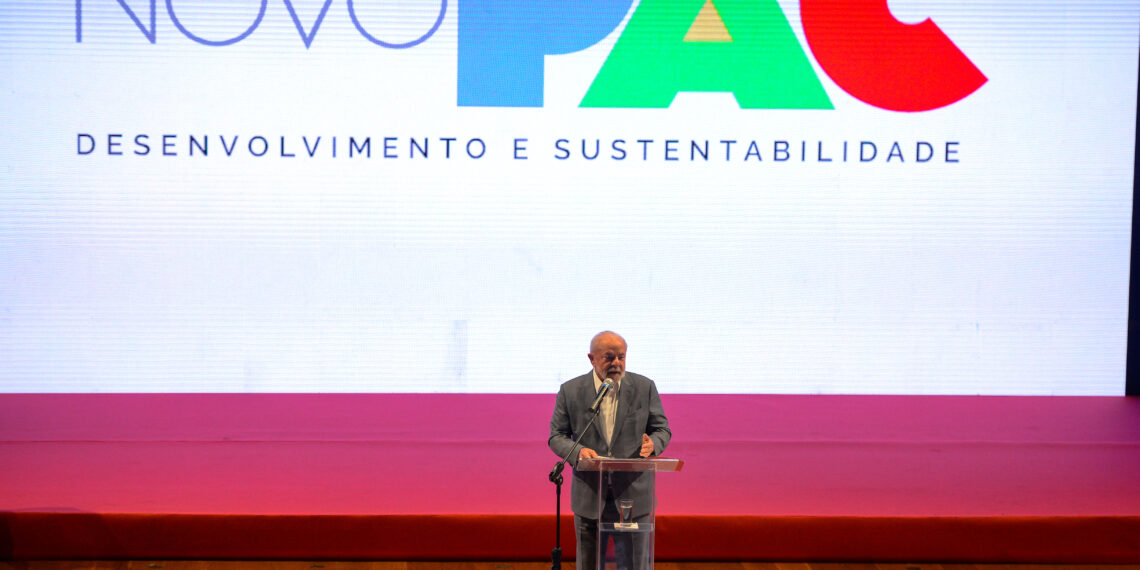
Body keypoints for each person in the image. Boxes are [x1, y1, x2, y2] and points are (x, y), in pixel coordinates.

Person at [548, 331, 671, 570]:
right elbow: (557, 436)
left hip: (634, 498)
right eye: (609, 357)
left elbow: (662, 429)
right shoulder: (571, 390)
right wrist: (578, 451)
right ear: (591, 359)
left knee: (634, 565)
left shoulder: (644, 387)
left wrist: (653, 443)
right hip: (591, 495)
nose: (616, 363)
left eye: (621, 357)